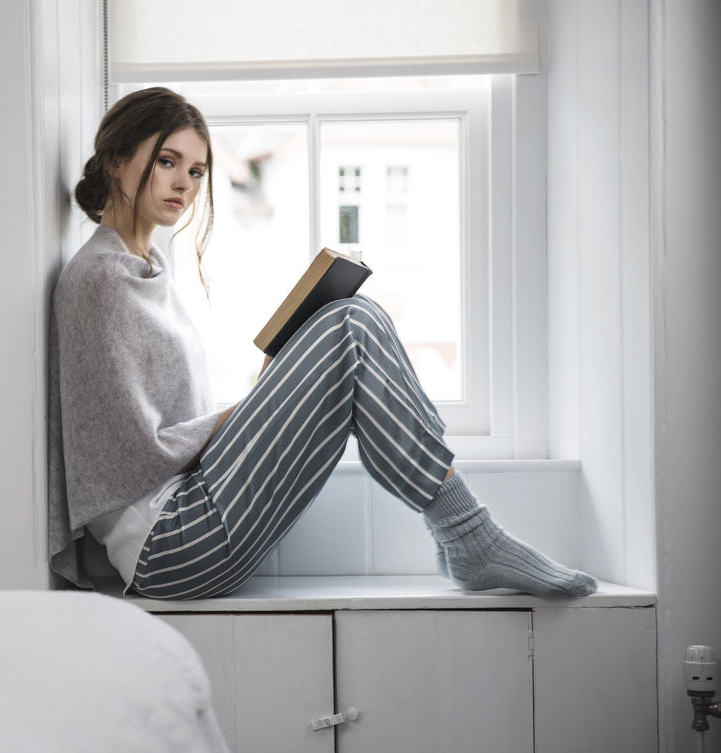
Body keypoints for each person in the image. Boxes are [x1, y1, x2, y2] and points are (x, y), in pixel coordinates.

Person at [48, 86, 596, 601]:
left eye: (196, 170)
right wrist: (243, 414)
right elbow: (128, 454)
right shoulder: (99, 279)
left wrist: (269, 396)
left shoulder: (147, 269)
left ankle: (465, 533)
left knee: (350, 316)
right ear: (117, 159)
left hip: (193, 520)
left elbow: (167, 434)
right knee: (349, 323)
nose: (185, 184)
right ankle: (468, 535)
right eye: (168, 161)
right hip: (169, 544)